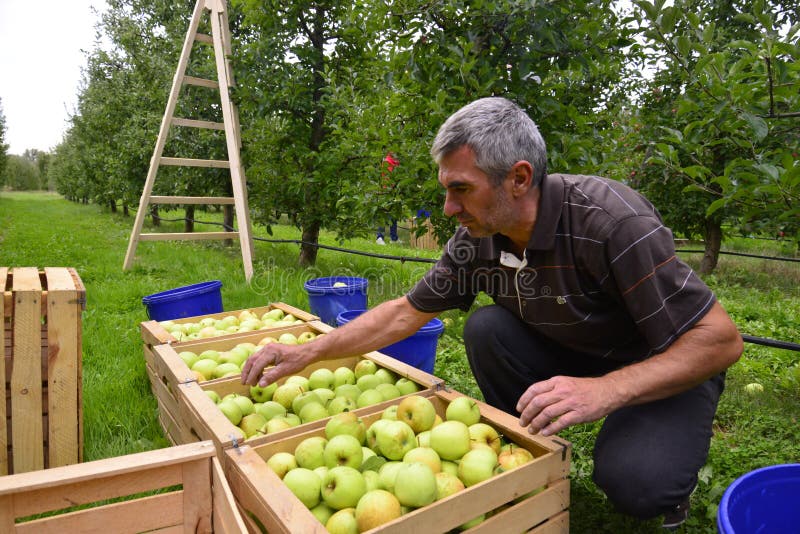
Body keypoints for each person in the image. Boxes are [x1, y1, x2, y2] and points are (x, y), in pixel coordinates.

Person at [242, 97, 743, 529]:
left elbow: (720, 341)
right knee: (488, 329)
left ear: (519, 178)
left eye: (461, 189)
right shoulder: (478, 241)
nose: (447, 208)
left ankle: (670, 484)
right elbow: (404, 312)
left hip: (664, 360)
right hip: (582, 350)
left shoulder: (611, 222)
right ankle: (523, 450)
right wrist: (306, 352)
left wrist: (607, 390)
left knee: (636, 483)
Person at [376, 152, 400, 245]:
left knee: (394, 215)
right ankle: (379, 237)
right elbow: (386, 178)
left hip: (394, 192)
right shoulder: (387, 162)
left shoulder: (395, 162)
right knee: (384, 214)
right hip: (386, 191)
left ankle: (394, 238)